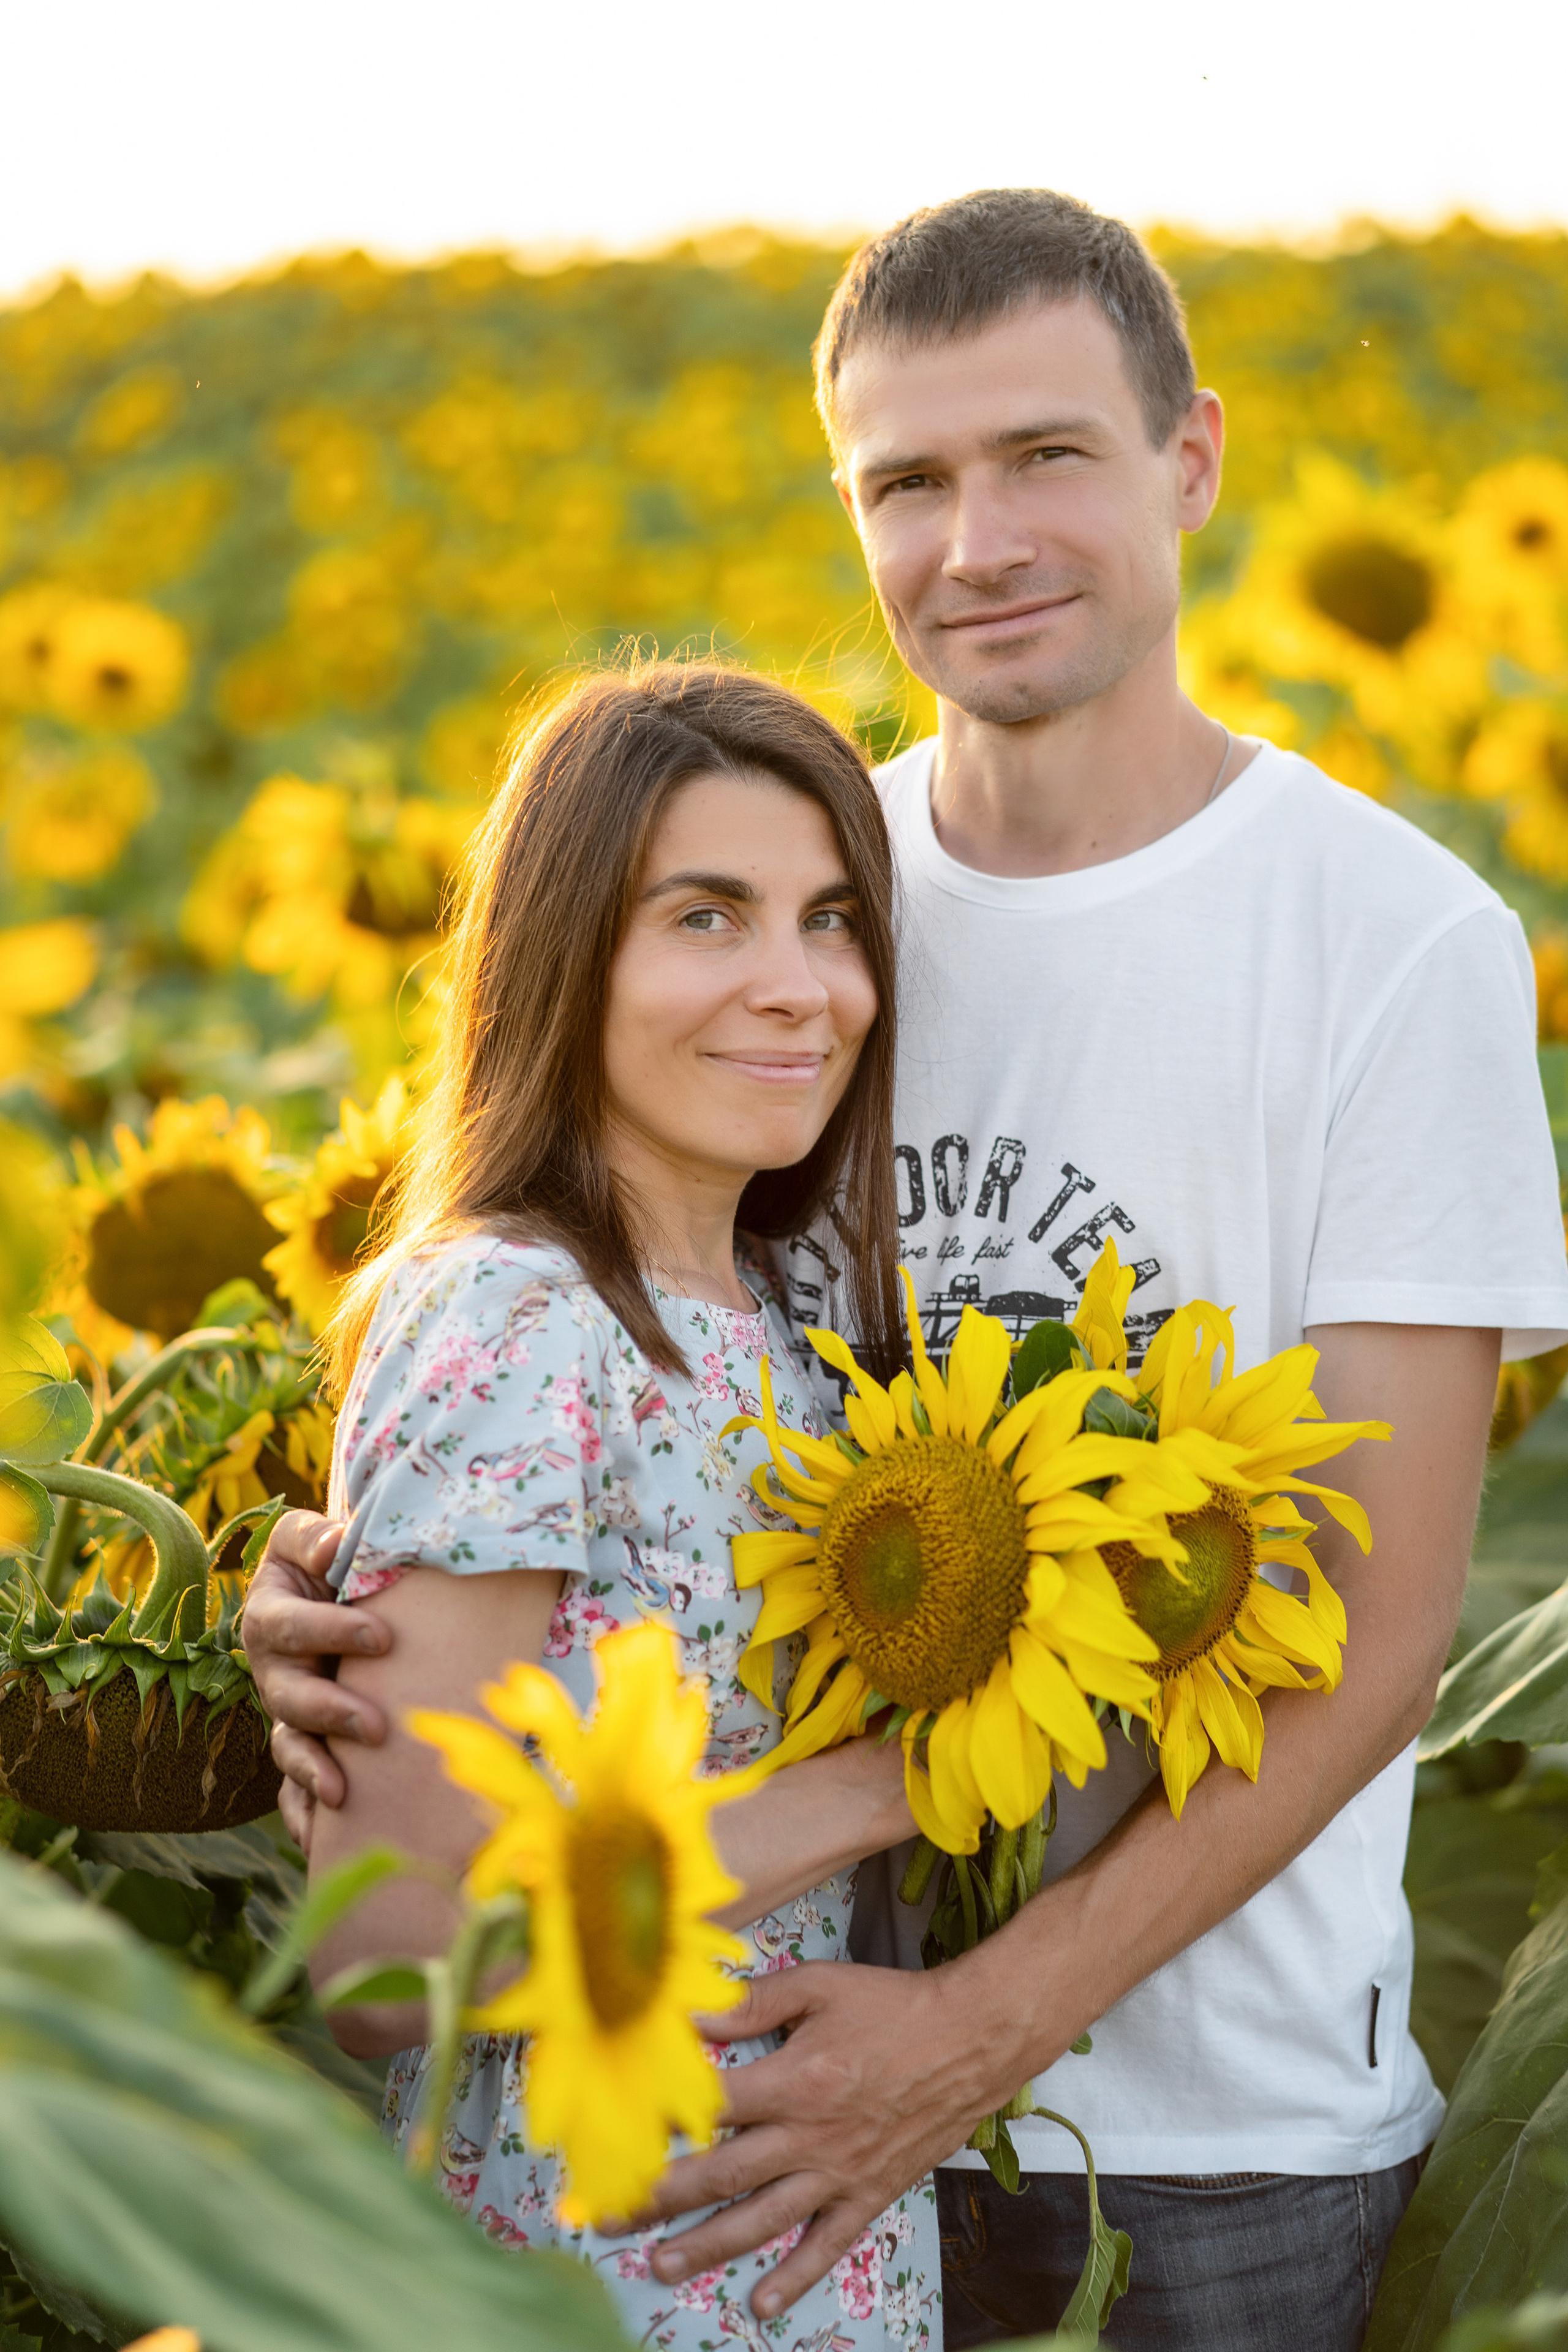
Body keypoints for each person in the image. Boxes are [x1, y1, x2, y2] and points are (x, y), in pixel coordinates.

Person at [246, 192, 1568, 2352]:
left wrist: (974, 2027)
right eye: (909, 482)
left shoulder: (1387, 945)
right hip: (727, 2131)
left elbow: (1383, 1631)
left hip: (1192, 2150)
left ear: (1193, 462)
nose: (980, 542)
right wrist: (338, 1595)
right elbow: (549, 1368)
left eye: (1049, 456)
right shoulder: (799, 890)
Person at [289, 659, 941, 2351]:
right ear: (565, 957)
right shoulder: (515, 1317)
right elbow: (391, 1958)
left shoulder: (795, 1320)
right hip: (596, 2273)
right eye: (708, 919)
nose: (801, 987)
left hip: (813, 2260)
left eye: (831, 922)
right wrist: (893, 1787)